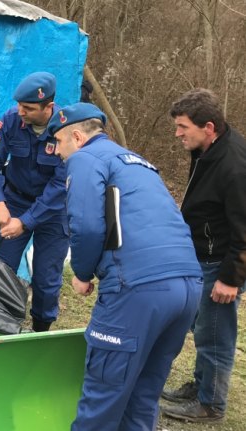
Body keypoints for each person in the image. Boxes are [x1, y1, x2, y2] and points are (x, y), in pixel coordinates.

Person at [46, 103, 202, 430]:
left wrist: (84, 274)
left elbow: (87, 225)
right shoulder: (139, 162)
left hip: (138, 289)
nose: (57, 152)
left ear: (76, 136)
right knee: (144, 394)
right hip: (188, 285)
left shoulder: (85, 159)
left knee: (103, 395)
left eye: (58, 142)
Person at [161, 89, 246, 423]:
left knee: (214, 332)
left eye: (183, 127)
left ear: (208, 126)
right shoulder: (206, 150)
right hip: (202, 256)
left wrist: (230, 279)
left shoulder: (235, 166)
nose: (178, 133)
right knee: (202, 327)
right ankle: (201, 386)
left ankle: (211, 405)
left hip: (221, 265)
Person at [0, 71, 68, 332]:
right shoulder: (10, 120)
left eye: (28, 107)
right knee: (1, 270)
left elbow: (61, 185)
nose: (20, 112)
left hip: (53, 211)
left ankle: (40, 331)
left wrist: (26, 223)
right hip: (14, 201)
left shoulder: (66, 128)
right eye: (19, 105)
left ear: (48, 107)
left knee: (46, 278)